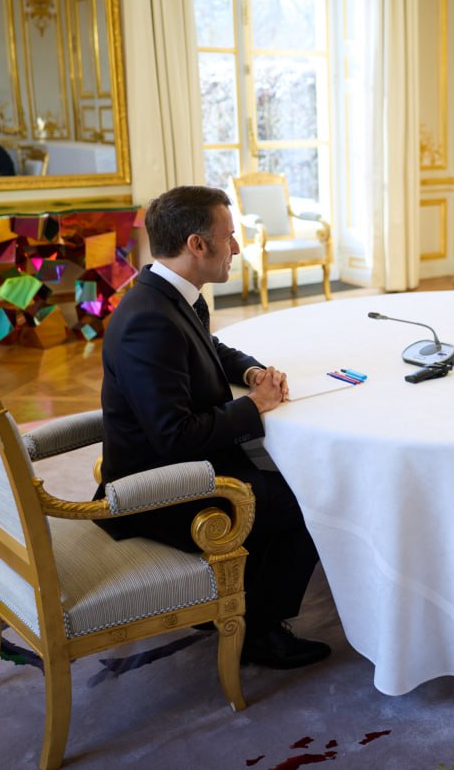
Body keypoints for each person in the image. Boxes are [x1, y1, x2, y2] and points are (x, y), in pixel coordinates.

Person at [96, 185, 329, 670]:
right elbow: (175, 437)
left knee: (283, 477)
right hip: (156, 492)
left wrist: (252, 373)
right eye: (229, 237)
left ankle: (234, 597)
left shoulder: (170, 296)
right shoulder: (149, 323)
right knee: (311, 500)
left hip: (174, 465)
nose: (237, 248)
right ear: (197, 245)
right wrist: (255, 407)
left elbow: (210, 349)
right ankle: (257, 630)